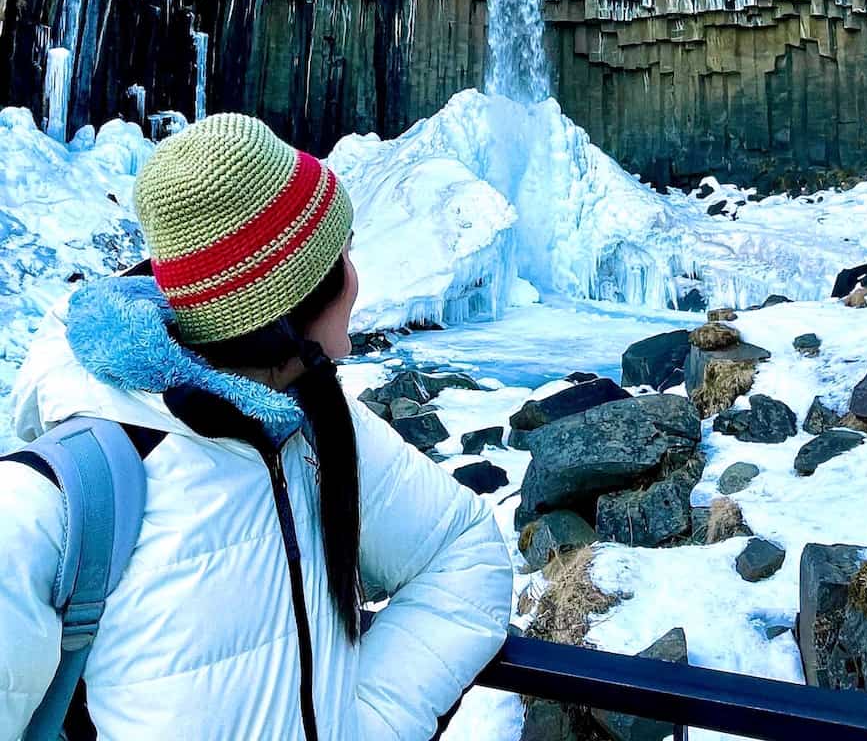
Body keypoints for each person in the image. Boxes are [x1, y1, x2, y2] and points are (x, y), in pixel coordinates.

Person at [0, 113, 513, 740]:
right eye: (342, 254)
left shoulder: (313, 424)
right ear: (289, 302)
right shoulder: (59, 498)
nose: (357, 277)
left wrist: (367, 725)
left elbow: (462, 550)